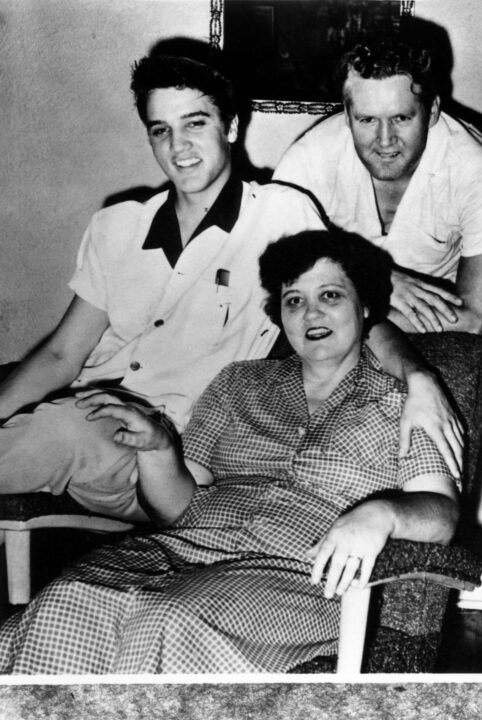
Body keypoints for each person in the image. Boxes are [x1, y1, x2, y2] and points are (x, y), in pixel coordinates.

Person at [0, 52, 464, 515]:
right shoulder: (116, 225)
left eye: (195, 124)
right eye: (162, 130)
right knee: (59, 425)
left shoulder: (279, 215)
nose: (179, 147)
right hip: (81, 414)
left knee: (63, 430)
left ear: (232, 127)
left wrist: (418, 376)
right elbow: (62, 354)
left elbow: (351, 311)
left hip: (167, 456)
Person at [0, 228, 459, 675]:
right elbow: (174, 509)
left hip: (299, 576)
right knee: (69, 598)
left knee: (169, 618)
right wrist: (158, 449)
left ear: (366, 308)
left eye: (331, 296)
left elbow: (441, 513)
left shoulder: (401, 401)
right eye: (294, 301)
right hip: (179, 550)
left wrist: (381, 515)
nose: (310, 314)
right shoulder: (240, 382)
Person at [273, 35, 482, 336]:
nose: (385, 140)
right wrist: (377, 276)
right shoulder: (307, 160)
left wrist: (359, 305)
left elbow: (476, 321)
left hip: (433, 332)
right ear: (347, 117)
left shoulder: (480, 172)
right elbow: (275, 284)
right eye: (367, 120)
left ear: (433, 111)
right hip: (340, 322)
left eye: (401, 118)